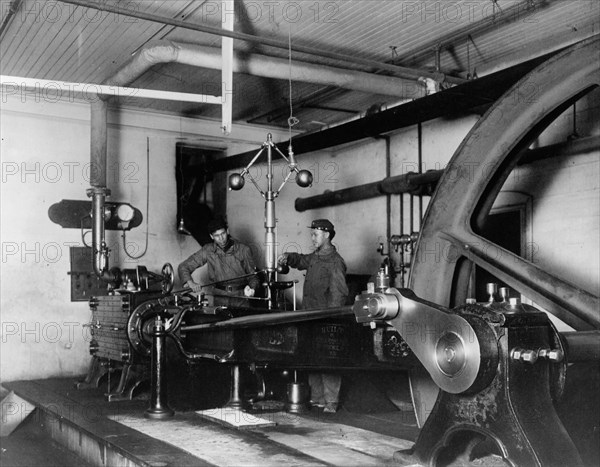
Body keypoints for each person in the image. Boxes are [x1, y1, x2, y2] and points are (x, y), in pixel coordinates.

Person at [278, 219, 349, 413]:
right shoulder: (317, 257)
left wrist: (331, 321)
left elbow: (339, 295)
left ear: (326, 235)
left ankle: (331, 403)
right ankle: (318, 398)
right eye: (312, 234)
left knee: (328, 361)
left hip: (325, 320)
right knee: (312, 358)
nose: (312, 238)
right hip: (308, 316)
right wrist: (288, 257)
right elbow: (302, 260)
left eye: (315, 234)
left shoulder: (335, 262)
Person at [178, 217, 260, 307]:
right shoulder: (208, 250)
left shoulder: (243, 249)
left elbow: (253, 277)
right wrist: (190, 282)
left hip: (241, 298)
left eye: (223, 234)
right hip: (219, 299)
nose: (221, 238)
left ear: (227, 231)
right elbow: (184, 266)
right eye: (217, 236)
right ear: (211, 236)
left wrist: (252, 289)